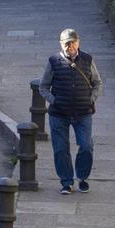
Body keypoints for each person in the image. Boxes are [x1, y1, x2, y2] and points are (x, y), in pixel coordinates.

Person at [39, 29, 103, 194]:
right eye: (67, 43)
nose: (70, 46)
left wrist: (91, 99)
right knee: (61, 149)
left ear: (78, 42)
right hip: (59, 114)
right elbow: (43, 87)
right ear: (61, 44)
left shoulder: (88, 59)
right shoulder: (54, 61)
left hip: (83, 113)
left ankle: (82, 178)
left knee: (86, 146)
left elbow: (97, 83)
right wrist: (55, 101)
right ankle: (66, 182)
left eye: (73, 42)